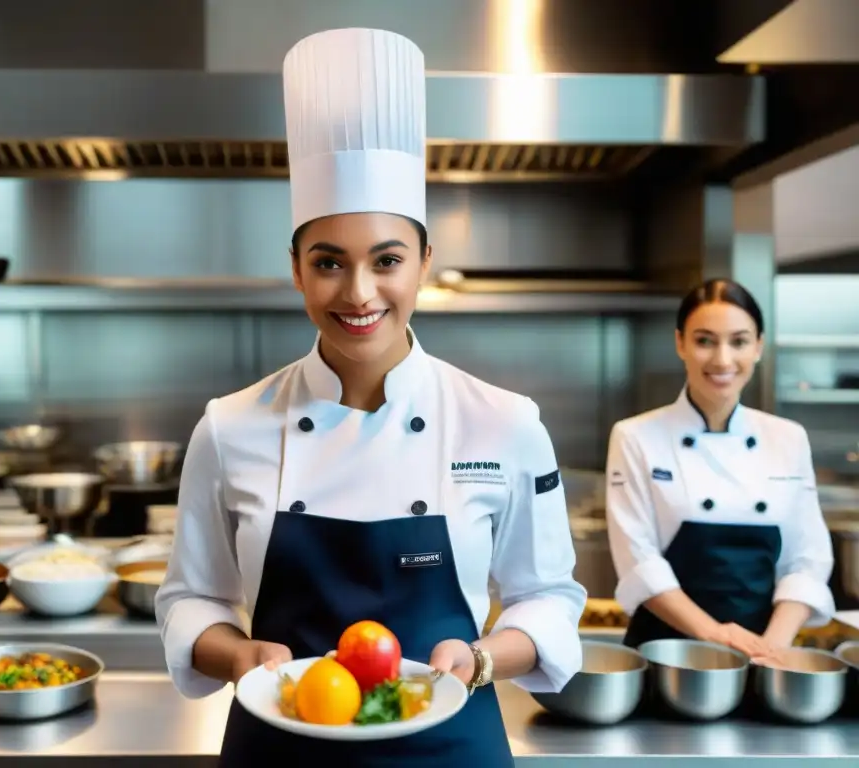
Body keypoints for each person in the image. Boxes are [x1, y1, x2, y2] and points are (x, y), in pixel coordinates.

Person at [155, 28, 587, 767]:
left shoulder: (504, 423)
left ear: (424, 261)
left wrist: (479, 660)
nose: (358, 293)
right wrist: (237, 658)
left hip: (453, 742)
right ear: (295, 268)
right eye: (329, 262)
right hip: (277, 746)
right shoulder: (229, 427)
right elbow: (190, 599)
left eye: (387, 260)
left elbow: (548, 596)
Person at [605, 278, 835, 658]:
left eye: (739, 341)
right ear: (680, 343)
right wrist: (715, 634)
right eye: (705, 340)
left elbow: (807, 559)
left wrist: (772, 648)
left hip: (763, 655)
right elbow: (638, 560)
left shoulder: (788, 438)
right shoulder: (636, 436)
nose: (723, 360)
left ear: (759, 346)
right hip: (667, 654)